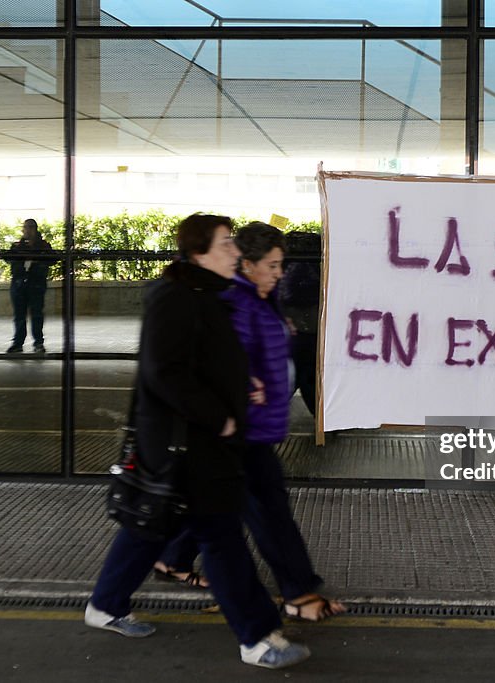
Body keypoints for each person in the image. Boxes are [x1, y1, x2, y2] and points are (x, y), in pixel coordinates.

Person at [85, 214, 310, 670]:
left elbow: (204, 360)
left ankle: (105, 605)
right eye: (226, 243)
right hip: (187, 442)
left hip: (194, 442)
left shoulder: (209, 295)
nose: (234, 252)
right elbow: (163, 372)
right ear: (200, 251)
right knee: (221, 537)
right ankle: (257, 637)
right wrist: (222, 417)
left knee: (151, 527)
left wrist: (243, 383)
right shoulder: (176, 298)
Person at [157, 222, 345, 622]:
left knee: (230, 512)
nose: (281, 273)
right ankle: (293, 597)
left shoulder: (264, 298)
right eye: (274, 265)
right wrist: (245, 385)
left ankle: (170, 558)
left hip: (255, 428)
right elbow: (224, 359)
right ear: (249, 264)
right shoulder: (238, 303)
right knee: (267, 515)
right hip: (244, 431)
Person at [277, 231, 321, 417]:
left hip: (293, 327)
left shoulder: (287, 264)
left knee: (294, 377)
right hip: (311, 328)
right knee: (308, 377)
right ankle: (325, 421)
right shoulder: (316, 263)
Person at [6, 218, 53, 354]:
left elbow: (53, 259)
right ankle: (18, 343)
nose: (27, 230)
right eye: (25, 227)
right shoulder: (17, 246)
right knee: (19, 315)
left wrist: (38, 259)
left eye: (30, 227)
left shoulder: (43, 246)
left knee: (37, 314)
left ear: (35, 229)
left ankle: (38, 343)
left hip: (36, 284)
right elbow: (8, 258)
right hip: (19, 284)